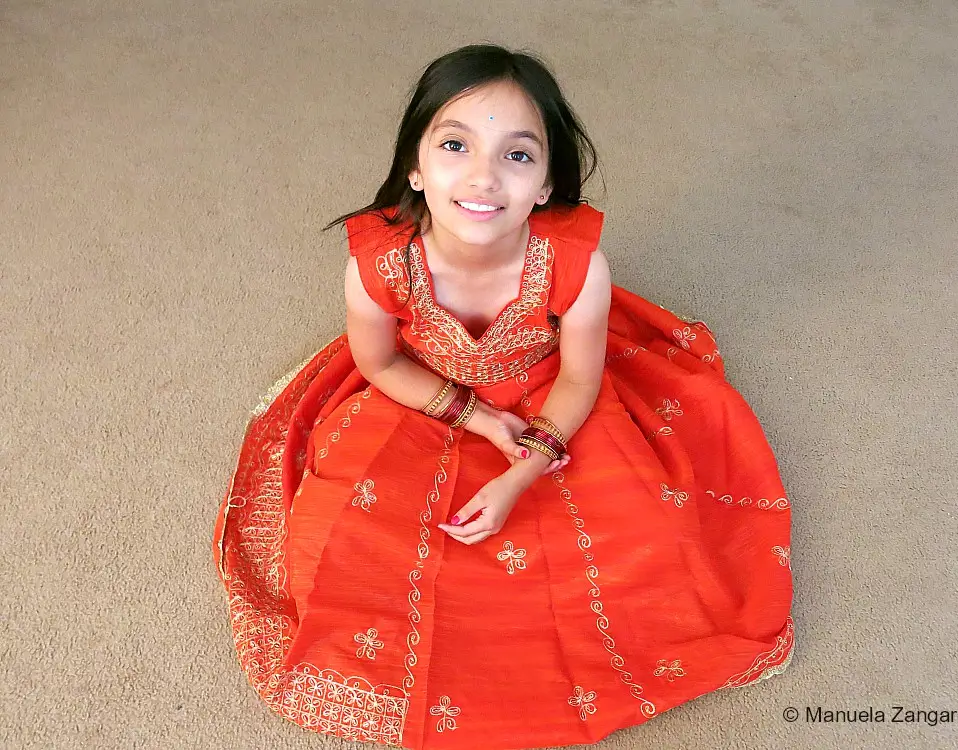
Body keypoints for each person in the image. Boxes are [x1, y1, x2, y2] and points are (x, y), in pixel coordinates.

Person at [212, 43, 794, 750]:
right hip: (418, 397)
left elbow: (581, 378)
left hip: (554, 397)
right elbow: (380, 362)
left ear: (546, 185)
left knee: (654, 547)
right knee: (338, 546)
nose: (484, 176)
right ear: (416, 170)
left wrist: (524, 469)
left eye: (518, 155)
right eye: (455, 145)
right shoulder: (378, 265)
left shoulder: (578, 265)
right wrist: (478, 417)